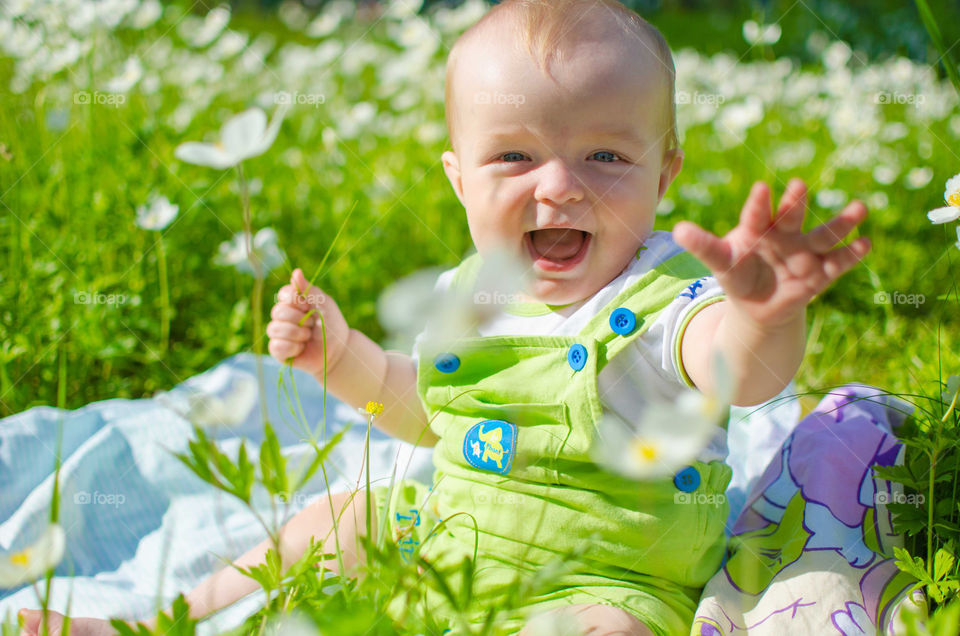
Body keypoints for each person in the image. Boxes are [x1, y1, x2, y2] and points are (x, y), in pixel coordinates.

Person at [18, 0, 871, 634]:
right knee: (340, 517)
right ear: (459, 178)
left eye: (606, 155)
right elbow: (429, 415)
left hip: (607, 577)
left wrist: (764, 312)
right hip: (451, 543)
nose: (559, 186)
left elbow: (739, 368)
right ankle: (168, 615)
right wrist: (342, 359)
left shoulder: (665, 299)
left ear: (665, 173)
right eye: (514, 156)